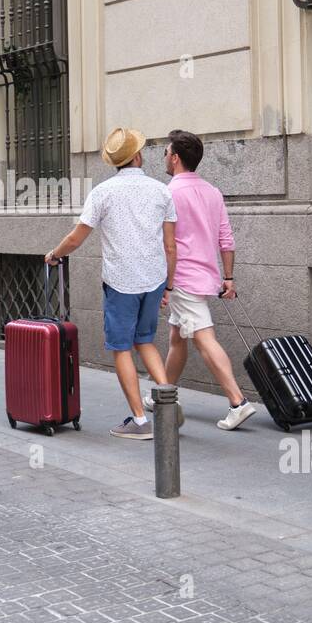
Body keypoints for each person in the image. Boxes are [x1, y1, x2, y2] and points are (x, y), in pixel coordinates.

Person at [44, 128, 177, 440]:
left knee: (121, 348)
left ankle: (141, 421)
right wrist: (168, 286)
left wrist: (54, 254)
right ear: (137, 156)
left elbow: (77, 237)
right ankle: (170, 402)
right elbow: (171, 246)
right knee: (145, 341)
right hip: (154, 277)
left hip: (121, 281)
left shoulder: (103, 193)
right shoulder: (162, 191)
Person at [149, 130, 258, 430]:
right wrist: (229, 278)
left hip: (182, 277)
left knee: (203, 337)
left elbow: (163, 241)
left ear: (175, 157)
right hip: (206, 275)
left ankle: (238, 402)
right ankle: (162, 390)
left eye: (166, 152)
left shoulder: (168, 193)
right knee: (177, 336)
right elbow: (226, 238)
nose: (164, 157)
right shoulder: (212, 191)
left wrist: (165, 284)